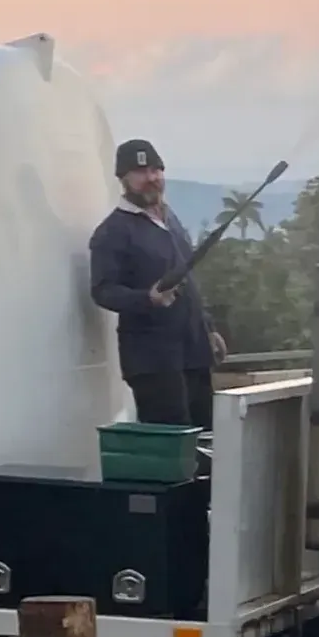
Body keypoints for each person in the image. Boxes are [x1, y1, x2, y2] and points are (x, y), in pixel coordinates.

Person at [88, 138, 226, 430]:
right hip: (153, 361)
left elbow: (188, 279)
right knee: (173, 440)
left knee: (207, 436)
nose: (151, 178)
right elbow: (102, 290)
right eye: (140, 172)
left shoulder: (170, 219)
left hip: (193, 351)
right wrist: (146, 298)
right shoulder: (112, 232)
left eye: (155, 170)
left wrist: (208, 328)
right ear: (123, 179)